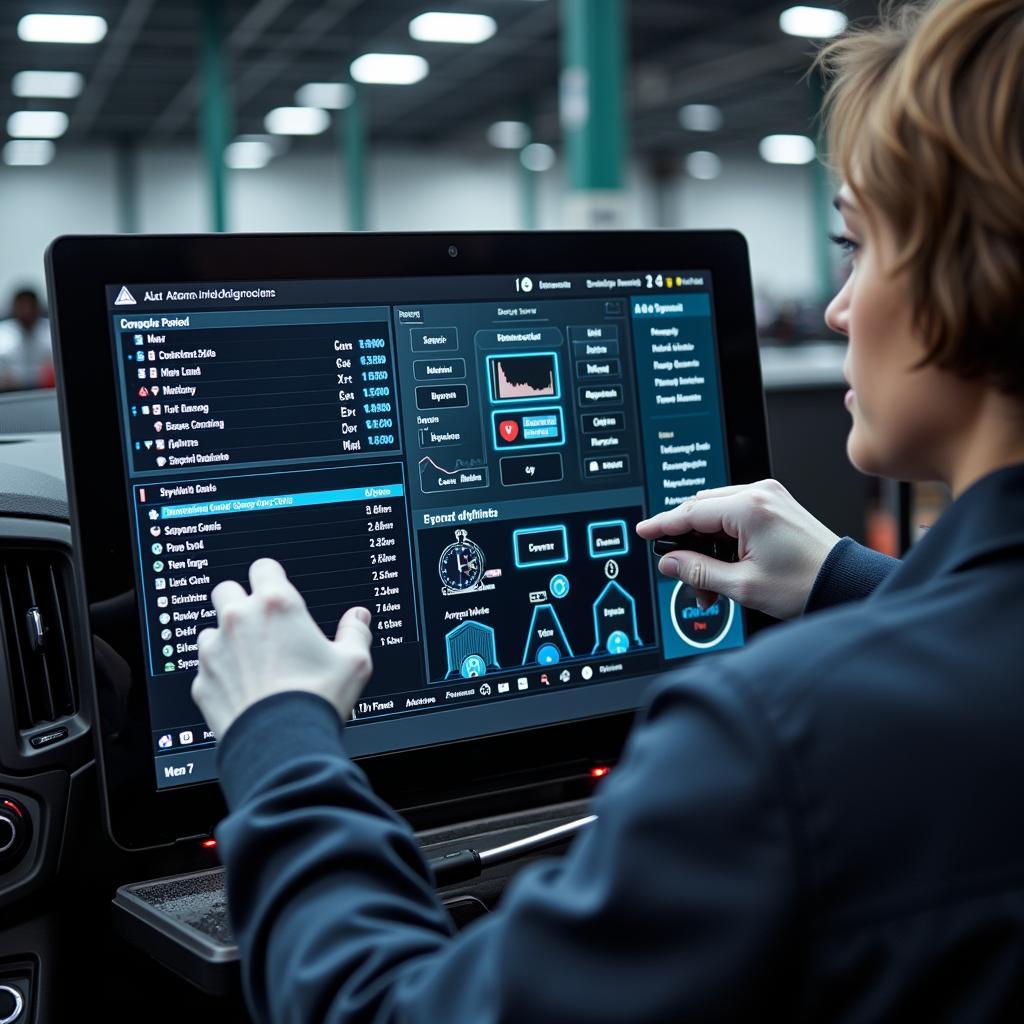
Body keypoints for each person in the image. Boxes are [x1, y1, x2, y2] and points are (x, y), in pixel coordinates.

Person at [192, 0, 1024, 1019]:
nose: (840, 305)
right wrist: (850, 583)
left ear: (974, 274)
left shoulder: (780, 742)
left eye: (856, 245)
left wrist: (278, 740)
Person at [0, 287, 54, 391]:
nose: (27, 311)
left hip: (46, 391)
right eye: (22, 307)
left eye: (30, 306)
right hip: (11, 392)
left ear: (38, 308)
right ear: (14, 308)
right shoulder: (2, 333)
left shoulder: (51, 330)